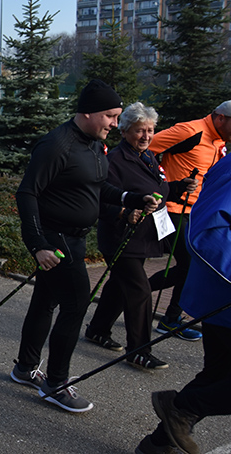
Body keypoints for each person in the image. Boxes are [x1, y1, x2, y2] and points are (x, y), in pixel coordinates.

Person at [11, 79, 158, 413]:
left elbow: (97, 185)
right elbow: (27, 193)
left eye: (117, 116)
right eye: (110, 116)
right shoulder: (56, 144)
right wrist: (37, 245)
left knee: (45, 300)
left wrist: (132, 198)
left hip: (76, 237)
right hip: (56, 239)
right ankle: (55, 383)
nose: (115, 124)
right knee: (76, 304)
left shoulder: (93, 143)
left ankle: (25, 368)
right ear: (88, 113)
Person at [85, 103, 196, 370]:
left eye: (150, 130)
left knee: (119, 284)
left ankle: (98, 329)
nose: (146, 136)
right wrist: (124, 212)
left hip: (143, 237)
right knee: (140, 290)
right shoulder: (115, 160)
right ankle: (139, 350)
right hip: (120, 237)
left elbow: (156, 188)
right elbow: (101, 198)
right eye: (139, 131)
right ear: (124, 131)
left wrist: (178, 187)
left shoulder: (147, 157)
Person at [135, 153, 231, 454]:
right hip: (224, 295)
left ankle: (158, 442)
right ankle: (181, 408)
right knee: (219, 377)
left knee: (218, 376)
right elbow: (208, 232)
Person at [145, 101, 231, 341]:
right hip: (174, 208)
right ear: (221, 118)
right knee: (191, 263)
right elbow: (144, 148)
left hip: (196, 212)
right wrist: (159, 181)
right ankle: (167, 317)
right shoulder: (190, 131)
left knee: (189, 265)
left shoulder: (219, 141)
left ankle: (135, 293)